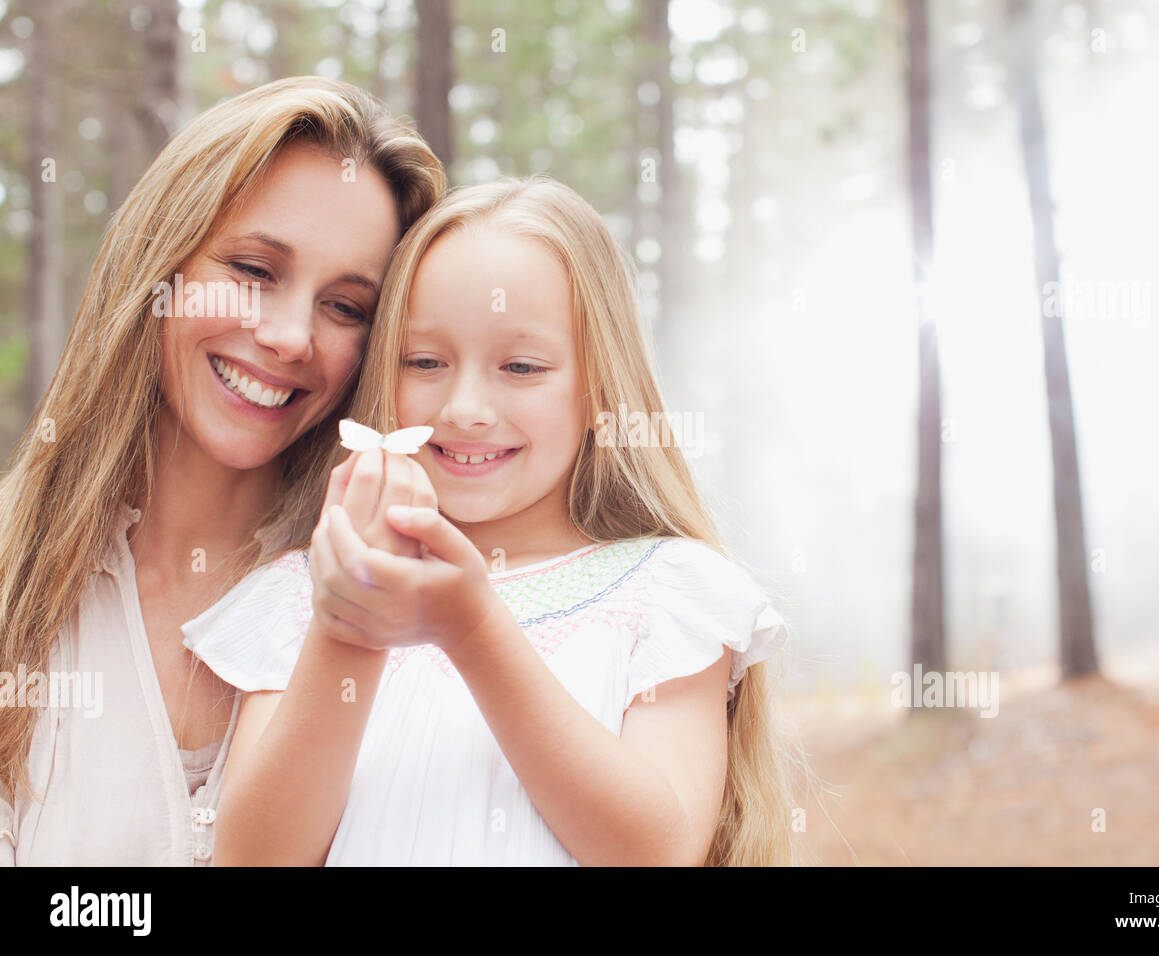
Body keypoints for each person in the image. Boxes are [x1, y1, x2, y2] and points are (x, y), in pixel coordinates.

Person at [207, 176, 805, 866]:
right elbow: (254, 858)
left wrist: (473, 630)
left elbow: (655, 850)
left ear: (598, 387)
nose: (465, 408)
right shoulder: (303, 593)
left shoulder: (666, 594)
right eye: (425, 361)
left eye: (521, 366)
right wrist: (349, 629)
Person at [0, 76, 445, 865]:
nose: (288, 337)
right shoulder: (13, 567)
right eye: (253, 270)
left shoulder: (416, 611)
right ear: (159, 264)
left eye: (346, 307)